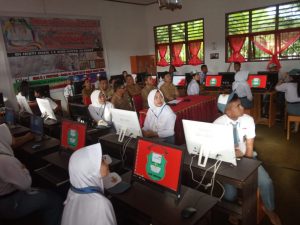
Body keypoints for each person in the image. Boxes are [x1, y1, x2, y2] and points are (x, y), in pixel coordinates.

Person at [214, 93, 282, 225]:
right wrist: (230, 155)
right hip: (228, 161)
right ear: (228, 111)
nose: (242, 107)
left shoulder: (248, 119)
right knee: (229, 194)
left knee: (266, 182)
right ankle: (233, 211)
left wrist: (246, 163)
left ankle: (270, 210)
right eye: (238, 105)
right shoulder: (217, 124)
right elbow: (216, 150)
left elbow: (249, 148)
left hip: (247, 158)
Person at [0, 124, 63, 225]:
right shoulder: (6, 161)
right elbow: (26, 185)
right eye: (10, 135)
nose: (12, 137)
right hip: (10, 204)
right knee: (55, 200)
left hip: (5, 202)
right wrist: (24, 169)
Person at [61, 143, 117, 225]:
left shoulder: (73, 191)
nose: (106, 162)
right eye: (101, 160)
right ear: (90, 170)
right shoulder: (101, 204)